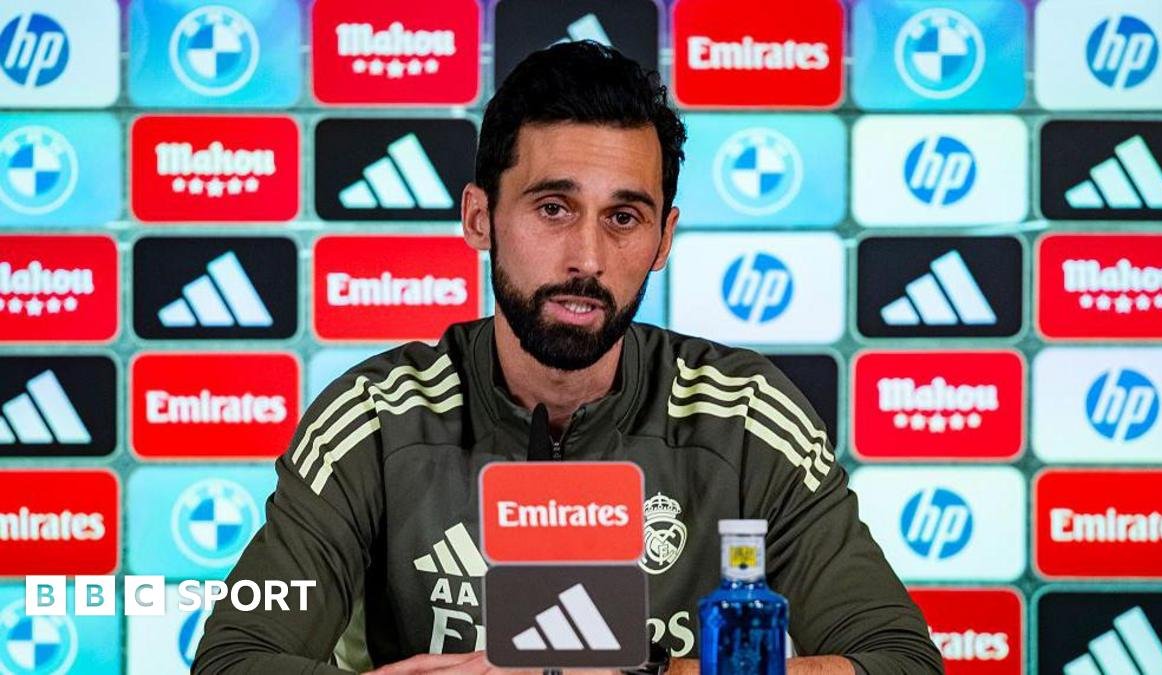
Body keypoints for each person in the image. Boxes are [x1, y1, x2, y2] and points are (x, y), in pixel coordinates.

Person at [193, 41, 943, 675]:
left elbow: (900, 660)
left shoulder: (744, 416)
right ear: (480, 217)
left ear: (664, 239)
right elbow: (234, 657)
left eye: (624, 216)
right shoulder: (377, 418)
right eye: (553, 208)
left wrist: (654, 673)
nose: (587, 256)